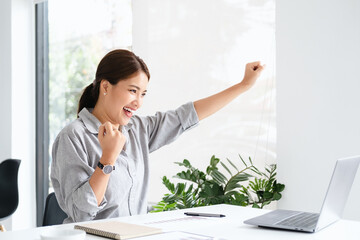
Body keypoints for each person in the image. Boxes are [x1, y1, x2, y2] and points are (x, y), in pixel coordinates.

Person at [51, 49, 264, 223]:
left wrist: (243, 85)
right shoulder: (72, 137)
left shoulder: (138, 129)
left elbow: (187, 116)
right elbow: (81, 214)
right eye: (133, 91)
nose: (138, 102)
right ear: (106, 86)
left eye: (142, 94)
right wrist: (108, 158)